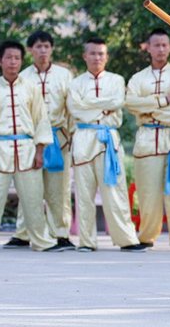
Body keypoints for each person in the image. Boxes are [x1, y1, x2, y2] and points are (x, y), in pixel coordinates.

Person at [0, 41, 62, 252]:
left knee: (33, 198)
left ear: (21, 61)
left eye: (17, 58)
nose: (13, 62)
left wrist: (40, 151)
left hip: (27, 150)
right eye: (8, 58)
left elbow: (41, 120)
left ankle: (41, 240)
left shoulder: (31, 89)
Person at [67, 37, 146, 252]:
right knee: (83, 194)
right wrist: (103, 108)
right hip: (83, 140)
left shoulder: (117, 80)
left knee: (115, 192)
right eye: (92, 53)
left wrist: (90, 106)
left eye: (101, 53)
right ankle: (86, 241)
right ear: (85, 56)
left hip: (109, 139)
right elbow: (75, 109)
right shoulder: (75, 83)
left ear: (106, 56)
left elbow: (118, 101)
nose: (97, 57)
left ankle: (126, 239)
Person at [125, 28, 170, 251]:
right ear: (148, 47)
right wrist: (162, 101)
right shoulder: (138, 78)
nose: (161, 49)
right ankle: (146, 235)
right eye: (156, 45)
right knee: (147, 192)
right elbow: (130, 103)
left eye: (165, 44)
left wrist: (148, 110)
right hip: (146, 141)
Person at [4, 31, 75, 250]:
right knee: (29, 187)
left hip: (58, 138)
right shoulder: (23, 76)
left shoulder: (65, 76)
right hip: (30, 140)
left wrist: (71, 135)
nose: (42, 50)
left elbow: (70, 108)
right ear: (30, 50)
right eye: (38, 47)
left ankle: (60, 233)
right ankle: (24, 233)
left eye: (46, 46)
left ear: (52, 49)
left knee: (59, 188)